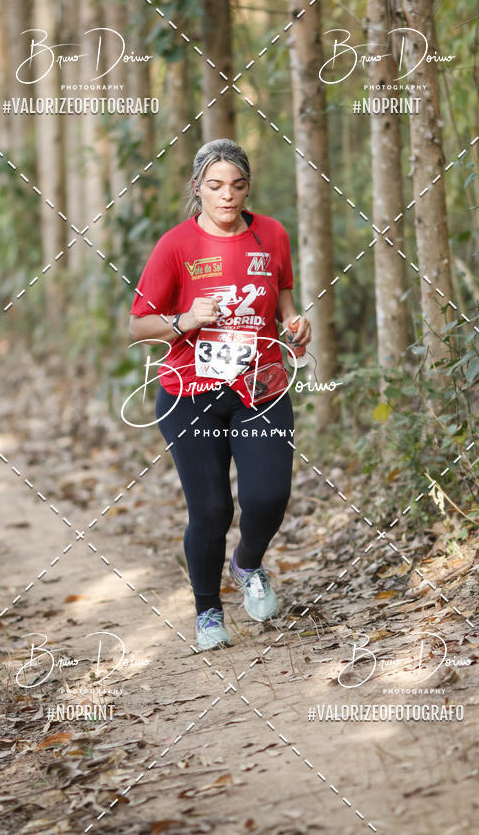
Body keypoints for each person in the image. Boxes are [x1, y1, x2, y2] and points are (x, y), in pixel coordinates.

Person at [129, 139, 312, 651]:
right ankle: (208, 612)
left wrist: (297, 325)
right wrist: (184, 320)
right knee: (210, 510)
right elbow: (136, 326)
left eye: (236, 185)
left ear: (247, 188)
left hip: (262, 386)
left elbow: (285, 304)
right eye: (214, 186)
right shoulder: (175, 246)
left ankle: (248, 562)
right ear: (197, 189)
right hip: (191, 392)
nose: (226, 196)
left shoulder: (272, 234)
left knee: (268, 495)